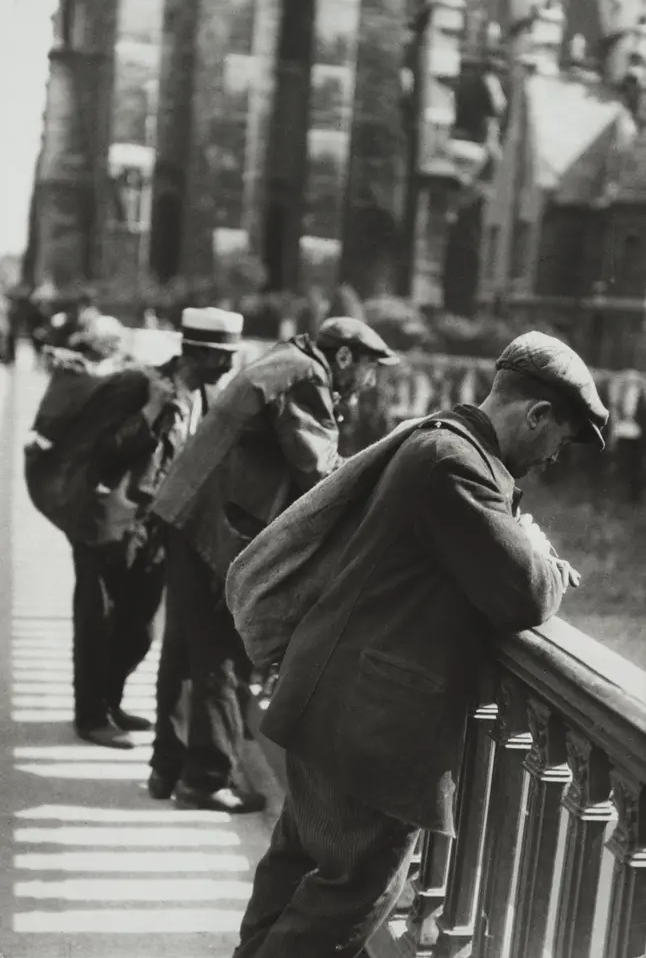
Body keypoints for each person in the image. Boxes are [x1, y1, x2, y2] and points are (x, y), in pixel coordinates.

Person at [226, 331, 608, 957]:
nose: (551, 459)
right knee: (351, 899)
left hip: (336, 706)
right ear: (537, 414)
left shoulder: (441, 444)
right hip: (371, 730)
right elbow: (527, 593)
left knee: (295, 869)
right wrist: (538, 551)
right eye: (557, 440)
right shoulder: (453, 463)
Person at [147, 317, 399, 813]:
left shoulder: (287, 359)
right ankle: (205, 778)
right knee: (220, 650)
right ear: (345, 357)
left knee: (182, 646)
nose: (369, 381)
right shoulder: (307, 377)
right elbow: (320, 471)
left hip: (185, 509)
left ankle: (167, 765)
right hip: (213, 526)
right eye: (369, 368)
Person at [25, 307, 242, 750]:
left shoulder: (204, 395)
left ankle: (111, 699)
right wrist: (149, 412)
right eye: (225, 357)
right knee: (97, 620)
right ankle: (91, 715)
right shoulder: (138, 386)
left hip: (153, 524)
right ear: (200, 353)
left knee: (141, 628)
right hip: (105, 521)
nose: (231, 366)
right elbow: (103, 452)